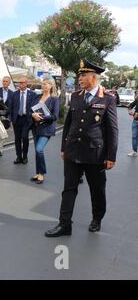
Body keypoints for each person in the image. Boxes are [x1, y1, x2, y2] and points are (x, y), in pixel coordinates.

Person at [45, 60, 118, 237]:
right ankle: (64, 224)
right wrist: (64, 147)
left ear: (93, 77)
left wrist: (111, 156)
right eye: (79, 75)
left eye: (83, 75)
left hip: (95, 154)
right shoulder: (76, 96)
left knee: (97, 190)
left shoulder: (107, 98)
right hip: (73, 151)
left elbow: (112, 129)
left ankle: (97, 219)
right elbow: (69, 124)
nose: (80, 78)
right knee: (69, 189)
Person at [30, 78, 60, 184]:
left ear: (51, 86)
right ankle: (38, 173)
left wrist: (42, 117)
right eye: (43, 84)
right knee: (37, 152)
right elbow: (31, 110)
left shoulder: (54, 99)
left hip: (46, 129)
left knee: (39, 149)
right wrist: (33, 115)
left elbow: (55, 116)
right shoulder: (37, 96)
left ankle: (42, 173)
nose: (44, 85)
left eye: (47, 84)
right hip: (35, 127)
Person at [10, 77, 37, 164]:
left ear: (26, 83)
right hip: (17, 119)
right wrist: (10, 119)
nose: (20, 84)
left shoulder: (32, 94)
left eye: (22, 83)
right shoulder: (14, 94)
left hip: (27, 119)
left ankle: (25, 156)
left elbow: (34, 107)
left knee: (25, 137)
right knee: (17, 139)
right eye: (19, 82)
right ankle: (18, 156)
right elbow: (11, 107)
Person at [0, 76, 14, 156]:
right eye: (3, 81)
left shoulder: (12, 94)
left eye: (6, 81)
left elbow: (12, 107)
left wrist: (10, 119)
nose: (4, 82)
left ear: (9, 83)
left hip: (6, 118)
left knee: (3, 134)